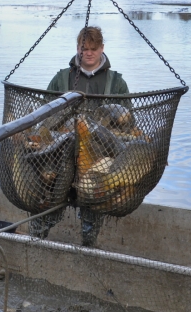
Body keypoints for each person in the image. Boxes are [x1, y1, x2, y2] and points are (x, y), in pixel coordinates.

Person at [36, 25, 129, 247]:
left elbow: (128, 120)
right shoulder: (61, 78)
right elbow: (44, 115)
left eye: (93, 49)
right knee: (49, 197)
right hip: (60, 153)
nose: (88, 53)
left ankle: (88, 245)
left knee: (92, 202)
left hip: (99, 157)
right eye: (84, 48)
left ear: (102, 48)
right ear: (77, 47)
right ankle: (36, 238)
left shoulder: (116, 82)